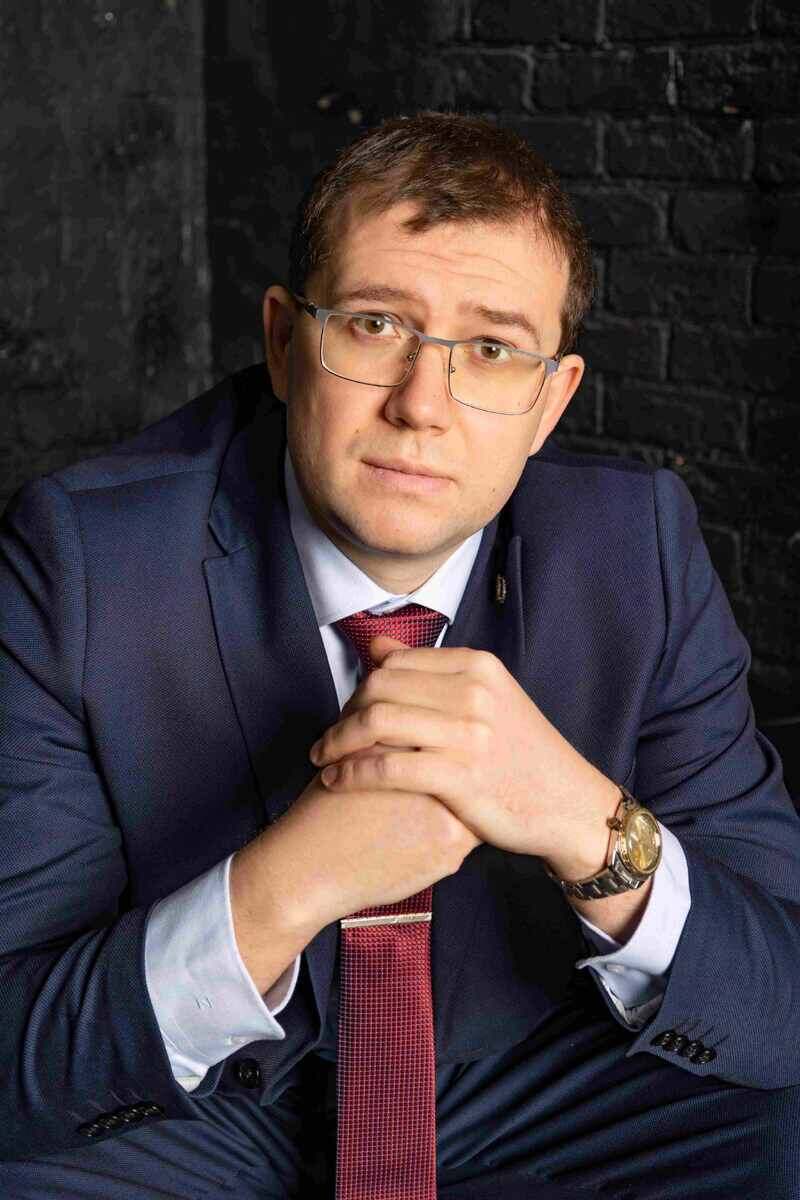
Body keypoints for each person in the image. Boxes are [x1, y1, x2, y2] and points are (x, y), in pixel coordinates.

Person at [1, 110, 799, 1200]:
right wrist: (280, 890)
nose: (421, 406)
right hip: (200, 1103)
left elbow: (780, 989)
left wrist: (585, 823)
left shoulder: (636, 550)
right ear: (284, 343)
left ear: (550, 400)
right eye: (375, 325)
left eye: (491, 349)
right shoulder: (83, 562)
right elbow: (18, 1045)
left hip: (536, 1081)